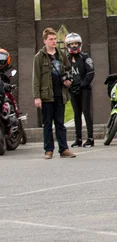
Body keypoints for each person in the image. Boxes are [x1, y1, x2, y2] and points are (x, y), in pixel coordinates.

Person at [33, 28, 76, 159]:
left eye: (55, 39)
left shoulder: (61, 55)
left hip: (60, 94)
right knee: (47, 124)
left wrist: (69, 81)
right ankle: (48, 150)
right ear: (45, 40)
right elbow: (36, 77)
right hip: (46, 95)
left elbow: (69, 70)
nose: (53, 41)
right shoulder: (39, 57)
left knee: (60, 123)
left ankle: (64, 149)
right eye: (51, 39)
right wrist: (37, 96)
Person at [64, 33, 95, 148]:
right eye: (72, 44)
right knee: (76, 113)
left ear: (80, 44)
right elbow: (64, 73)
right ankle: (78, 139)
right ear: (68, 45)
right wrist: (68, 83)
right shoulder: (65, 59)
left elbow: (91, 72)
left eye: (76, 43)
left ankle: (90, 138)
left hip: (85, 89)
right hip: (72, 90)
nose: (74, 46)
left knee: (86, 112)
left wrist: (83, 84)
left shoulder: (85, 57)